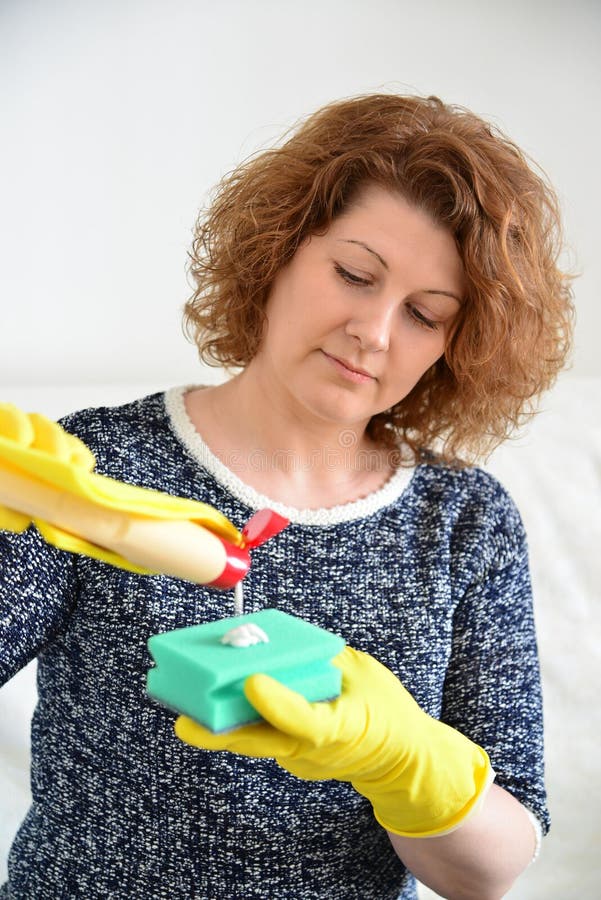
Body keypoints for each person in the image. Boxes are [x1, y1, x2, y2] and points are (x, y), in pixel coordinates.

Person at [0, 93, 573, 899]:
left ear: (458, 345)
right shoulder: (94, 468)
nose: (372, 331)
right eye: (353, 274)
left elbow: (491, 868)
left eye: (423, 314)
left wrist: (403, 761)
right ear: (276, 252)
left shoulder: (463, 522)